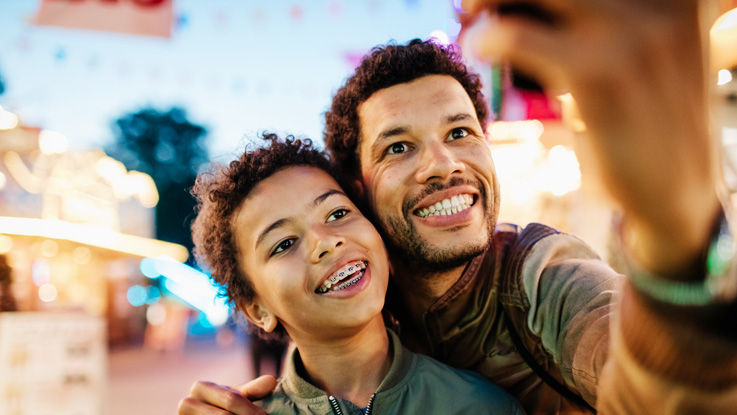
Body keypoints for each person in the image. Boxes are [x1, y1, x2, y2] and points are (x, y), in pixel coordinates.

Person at [179, 1, 737, 413]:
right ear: (358, 188)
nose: (443, 164)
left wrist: (677, 238)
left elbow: (654, 384)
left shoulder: (541, 276)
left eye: (461, 131)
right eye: (399, 147)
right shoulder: (359, 308)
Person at [182, 134, 525, 415]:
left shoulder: (481, 406)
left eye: (337, 213)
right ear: (257, 308)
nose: (326, 241)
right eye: (284, 243)